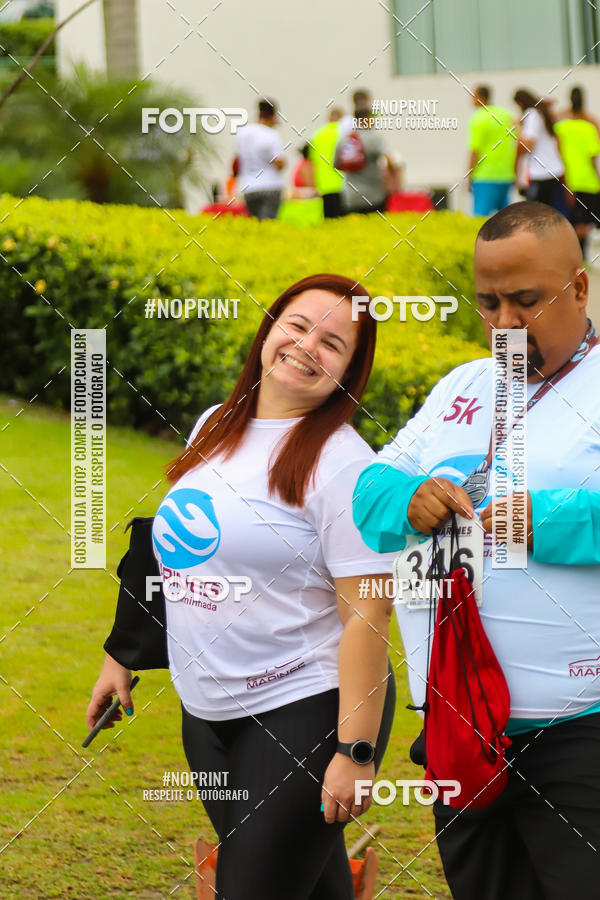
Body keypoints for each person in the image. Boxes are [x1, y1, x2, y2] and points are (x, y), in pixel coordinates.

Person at [87, 274, 397, 900]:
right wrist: (122, 655)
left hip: (303, 711)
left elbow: (367, 615)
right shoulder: (217, 423)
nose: (308, 345)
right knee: (309, 885)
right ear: (269, 328)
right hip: (207, 713)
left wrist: (356, 751)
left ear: (347, 372)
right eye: (299, 325)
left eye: (333, 343)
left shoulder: (347, 466)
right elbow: (171, 550)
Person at [353, 201, 600, 900]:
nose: (505, 326)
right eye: (488, 304)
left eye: (527, 301)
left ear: (578, 288)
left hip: (580, 728)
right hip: (460, 721)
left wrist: (534, 517)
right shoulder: (462, 384)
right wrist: (407, 499)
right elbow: (370, 486)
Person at [555, 88, 600, 259]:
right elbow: (593, 159)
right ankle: (583, 259)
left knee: (574, 224)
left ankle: (578, 260)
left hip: (569, 181)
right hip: (589, 181)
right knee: (585, 224)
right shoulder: (589, 126)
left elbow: (558, 156)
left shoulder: (560, 127)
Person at [514, 89, 567, 214]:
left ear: (520, 103)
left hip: (540, 173)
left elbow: (528, 145)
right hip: (555, 171)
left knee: (537, 217)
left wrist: (517, 130)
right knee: (554, 216)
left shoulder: (531, 114)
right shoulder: (541, 113)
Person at [341, 100, 399, 215]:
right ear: (367, 118)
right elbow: (389, 158)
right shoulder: (374, 137)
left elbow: (337, 164)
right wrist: (393, 178)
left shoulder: (346, 139)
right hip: (374, 196)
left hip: (351, 196)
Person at [468, 85, 517, 216]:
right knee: (506, 221)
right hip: (506, 175)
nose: (471, 99)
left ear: (481, 98)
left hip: (484, 176)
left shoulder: (478, 119)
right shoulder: (507, 115)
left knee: (480, 219)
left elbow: (474, 151)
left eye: (473, 96)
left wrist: (469, 175)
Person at [235, 98, 286, 220]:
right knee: (267, 225)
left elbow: (236, 161)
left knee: (256, 225)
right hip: (270, 186)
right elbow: (279, 163)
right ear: (272, 116)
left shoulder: (242, 133)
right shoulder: (271, 134)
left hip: (249, 186)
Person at [309, 109, 345, 218]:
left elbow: (312, 162)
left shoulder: (317, 135)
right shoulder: (343, 132)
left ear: (328, 119)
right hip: (343, 184)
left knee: (329, 221)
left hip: (324, 186)